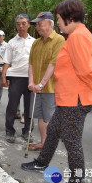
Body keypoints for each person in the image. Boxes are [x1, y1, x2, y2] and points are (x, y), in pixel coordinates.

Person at [21, 0, 92, 183]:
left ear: (69, 18)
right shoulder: (79, 34)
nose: (59, 22)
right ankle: (42, 162)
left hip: (75, 99)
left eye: (59, 18)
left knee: (72, 142)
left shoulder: (78, 36)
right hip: (69, 98)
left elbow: (85, 70)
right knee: (53, 131)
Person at [27, 12, 65, 151]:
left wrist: (41, 84)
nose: (37, 26)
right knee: (40, 116)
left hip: (50, 87)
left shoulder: (59, 40)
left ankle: (49, 146)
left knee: (49, 117)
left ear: (49, 23)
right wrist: (31, 83)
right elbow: (31, 64)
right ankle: (43, 142)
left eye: (39, 23)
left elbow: (53, 64)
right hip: (37, 87)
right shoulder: (36, 43)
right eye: (36, 24)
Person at [1, 14, 35, 143]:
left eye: (24, 23)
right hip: (15, 77)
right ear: (16, 25)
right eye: (18, 23)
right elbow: (7, 61)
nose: (21, 26)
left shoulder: (34, 42)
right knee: (12, 106)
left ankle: (27, 131)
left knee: (29, 107)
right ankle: (9, 131)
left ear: (29, 25)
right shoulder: (11, 42)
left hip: (31, 78)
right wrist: (3, 77)